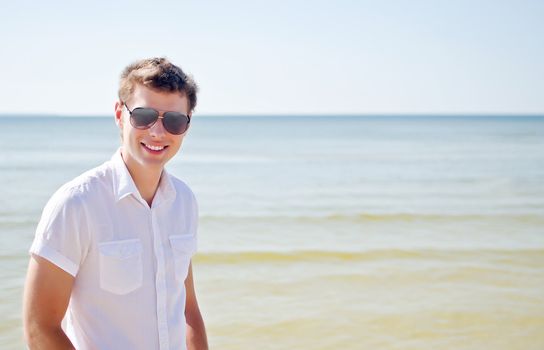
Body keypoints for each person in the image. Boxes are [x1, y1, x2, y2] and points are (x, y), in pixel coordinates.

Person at [22, 57, 208, 350]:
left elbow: (188, 311)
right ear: (120, 115)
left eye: (173, 121)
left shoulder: (184, 201)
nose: (158, 133)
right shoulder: (76, 204)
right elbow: (40, 326)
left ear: (186, 125)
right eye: (144, 116)